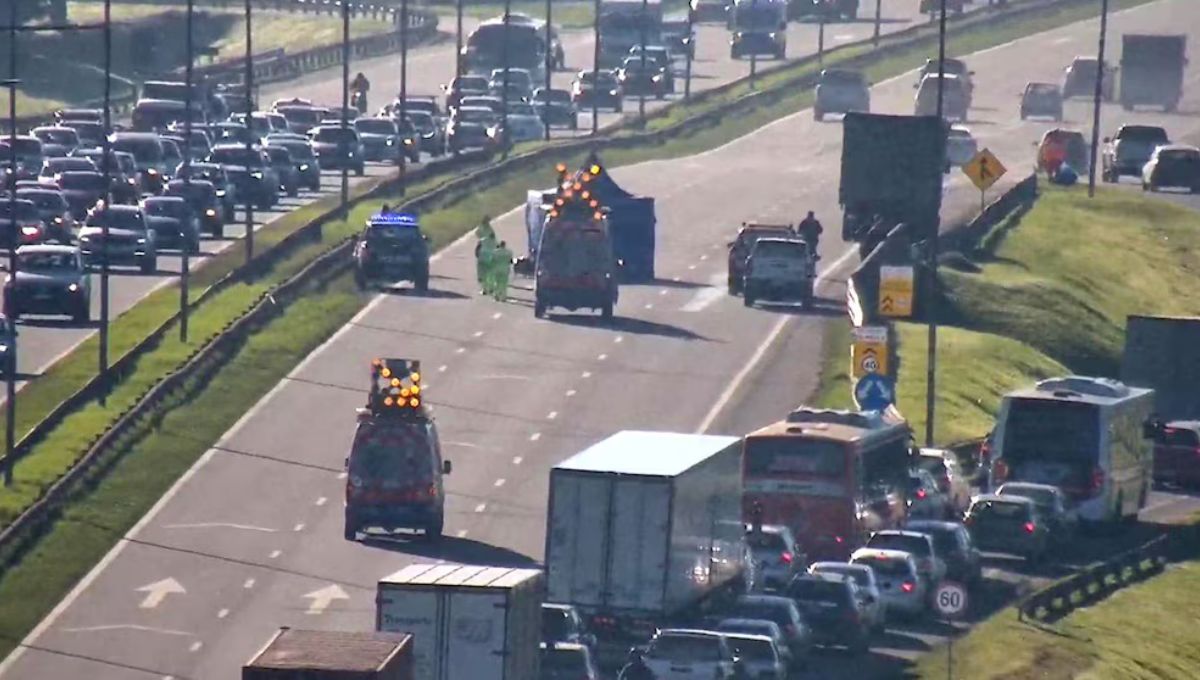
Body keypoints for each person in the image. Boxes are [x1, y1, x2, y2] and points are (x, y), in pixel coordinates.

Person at [475, 217, 496, 294]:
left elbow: (477, 233)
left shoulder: (483, 239)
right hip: (490, 254)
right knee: (490, 272)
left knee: (483, 272)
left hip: (484, 255)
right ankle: (491, 287)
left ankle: (485, 289)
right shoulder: (491, 231)